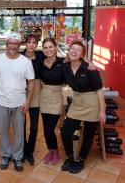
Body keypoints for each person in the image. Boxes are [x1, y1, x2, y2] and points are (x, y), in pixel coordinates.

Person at [0, 33, 35, 172]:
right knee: (3, 131)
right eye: (11, 43)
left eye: (16, 44)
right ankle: (5, 155)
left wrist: (27, 101)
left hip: (19, 102)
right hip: (1, 101)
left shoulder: (25, 62)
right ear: (7, 44)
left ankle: (17, 157)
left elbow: (31, 82)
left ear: (19, 45)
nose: (13, 46)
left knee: (19, 132)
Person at [60, 40, 106, 174]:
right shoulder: (65, 67)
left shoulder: (89, 69)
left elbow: (99, 91)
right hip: (77, 101)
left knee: (88, 134)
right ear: (69, 51)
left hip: (92, 102)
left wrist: (102, 111)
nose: (74, 51)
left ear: (82, 54)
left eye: (78, 50)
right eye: (72, 49)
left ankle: (81, 160)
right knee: (65, 132)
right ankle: (69, 158)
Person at [20, 34, 45, 165]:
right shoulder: (19, 55)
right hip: (21, 90)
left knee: (34, 126)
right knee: (21, 124)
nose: (31, 45)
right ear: (26, 43)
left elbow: (57, 59)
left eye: (34, 43)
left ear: (37, 44)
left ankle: (30, 151)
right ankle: (23, 150)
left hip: (35, 91)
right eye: (29, 42)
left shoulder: (40, 55)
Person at [39, 37, 65, 165]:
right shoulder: (40, 61)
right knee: (45, 128)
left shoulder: (63, 62)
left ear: (55, 47)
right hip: (44, 96)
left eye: (50, 47)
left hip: (56, 97)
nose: (48, 49)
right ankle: (50, 151)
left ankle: (56, 151)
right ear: (43, 49)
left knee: (50, 129)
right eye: (45, 47)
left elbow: (79, 63)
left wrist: (89, 62)